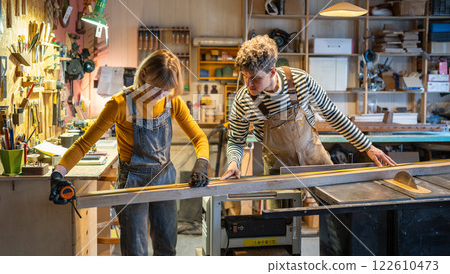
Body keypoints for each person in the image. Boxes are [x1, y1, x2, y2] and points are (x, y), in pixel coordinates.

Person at [50, 49, 210, 256]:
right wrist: (57, 174)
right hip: (133, 182)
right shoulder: (119, 105)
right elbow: (83, 144)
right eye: (158, 88)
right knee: (135, 251)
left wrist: (202, 162)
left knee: (167, 247)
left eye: (167, 90)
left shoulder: (173, 103)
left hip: (165, 180)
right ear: (144, 74)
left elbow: (199, 138)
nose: (162, 95)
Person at [221, 35, 396, 183]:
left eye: (255, 78)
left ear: (272, 71)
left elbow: (332, 114)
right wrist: (233, 163)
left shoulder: (300, 81)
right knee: (282, 221)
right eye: (244, 77)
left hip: (315, 161)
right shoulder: (243, 99)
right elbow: (236, 140)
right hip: (278, 170)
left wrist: (367, 146)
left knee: (333, 212)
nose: (248, 84)